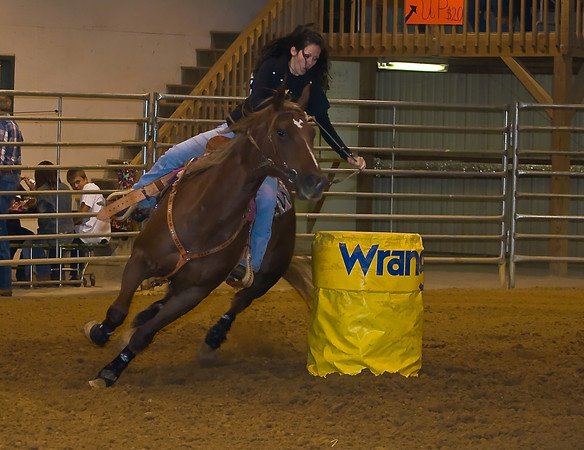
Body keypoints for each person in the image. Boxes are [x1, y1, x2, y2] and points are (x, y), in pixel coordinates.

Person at [133, 24, 366, 281]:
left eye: (314, 59)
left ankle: (249, 265)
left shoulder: (310, 84)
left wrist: (347, 155)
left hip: (264, 155)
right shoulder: (273, 66)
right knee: (176, 154)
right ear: (294, 51)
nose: (309, 63)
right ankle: (140, 199)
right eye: (306, 56)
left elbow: (324, 121)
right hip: (235, 132)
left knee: (266, 202)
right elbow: (256, 103)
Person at [21, 161, 74, 282]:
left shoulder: (42, 191)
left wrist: (33, 196)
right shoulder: (66, 188)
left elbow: (45, 219)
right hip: (69, 233)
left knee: (28, 243)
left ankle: (42, 275)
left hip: (53, 234)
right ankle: (53, 273)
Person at [66, 168, 111, 280]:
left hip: (92, 232)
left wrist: (69, 222)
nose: (76, 186)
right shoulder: (94, 189)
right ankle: (75, 272)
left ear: (85, 179)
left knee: (68, 237)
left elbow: (83, 212)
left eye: (77, 182)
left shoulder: (89, 188)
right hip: (100, 231)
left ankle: (74, 274)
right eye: (72, 184)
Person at [0, 94, 23, 297]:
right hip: (9, 179)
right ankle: (4, 283)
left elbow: (2, 159)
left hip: (2, 179)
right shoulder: (13, 125)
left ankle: (4, 283)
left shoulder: (3, 125)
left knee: (0, 230)